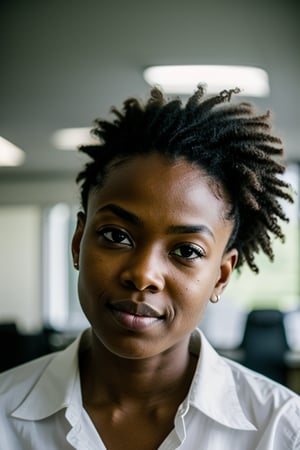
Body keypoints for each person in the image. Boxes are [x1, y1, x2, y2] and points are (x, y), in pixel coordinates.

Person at [0, 86, 299, 450]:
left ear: (220, 276)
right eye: (116, 235)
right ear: (78, 242)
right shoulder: (5, 413)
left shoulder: (281, 430)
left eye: (187, 250)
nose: (143, 275)